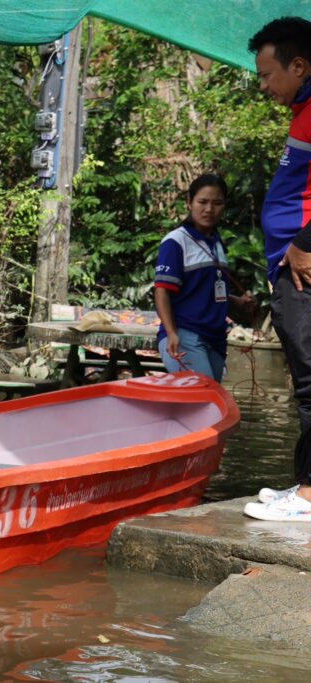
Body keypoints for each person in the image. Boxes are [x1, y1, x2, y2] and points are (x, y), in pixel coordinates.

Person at [243, 17, 311, 521]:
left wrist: (304, 245)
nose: (264, 85)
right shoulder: (303, 111)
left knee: (310, 380)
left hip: (303, 265)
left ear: (299, 66)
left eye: (268, 74)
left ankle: (309, 497)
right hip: (292, 266)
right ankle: (305, 483)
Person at [153, 174, 254, 382]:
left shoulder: (216, 242)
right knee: (203, 395)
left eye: (217, 203)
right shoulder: (176, 242)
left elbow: (206, 292)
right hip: (185, 334)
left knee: (207, 398)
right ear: (189, 203)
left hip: (215, 338)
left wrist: (238, 302)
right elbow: (161, 291)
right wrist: (171, 333)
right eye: (202, 202)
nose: (209, 209)